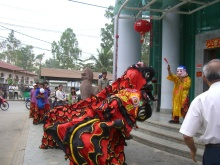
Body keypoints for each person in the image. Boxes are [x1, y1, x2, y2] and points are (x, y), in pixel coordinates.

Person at [179, 59, 220, 164]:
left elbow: (187, 135)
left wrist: (193, 150)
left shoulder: (200, 100)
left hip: (215, 153)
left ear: (204, 78)